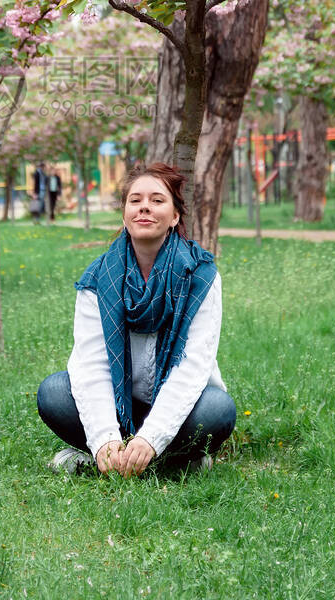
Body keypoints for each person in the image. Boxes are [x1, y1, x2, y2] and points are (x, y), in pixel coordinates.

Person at [36, 162, 236, 477]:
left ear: (175, 216)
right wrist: (105, 438)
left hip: (180, 405)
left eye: (157, 200)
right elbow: (91, 366)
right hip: (117, 404)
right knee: (54, 392)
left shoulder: (201, 276)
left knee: (217, 409)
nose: (145, 206)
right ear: (125, 213)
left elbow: (193, 366)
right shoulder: (98, 279)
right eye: (135, 200)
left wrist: (151, 437)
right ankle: (145, 460)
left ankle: (141, 456)